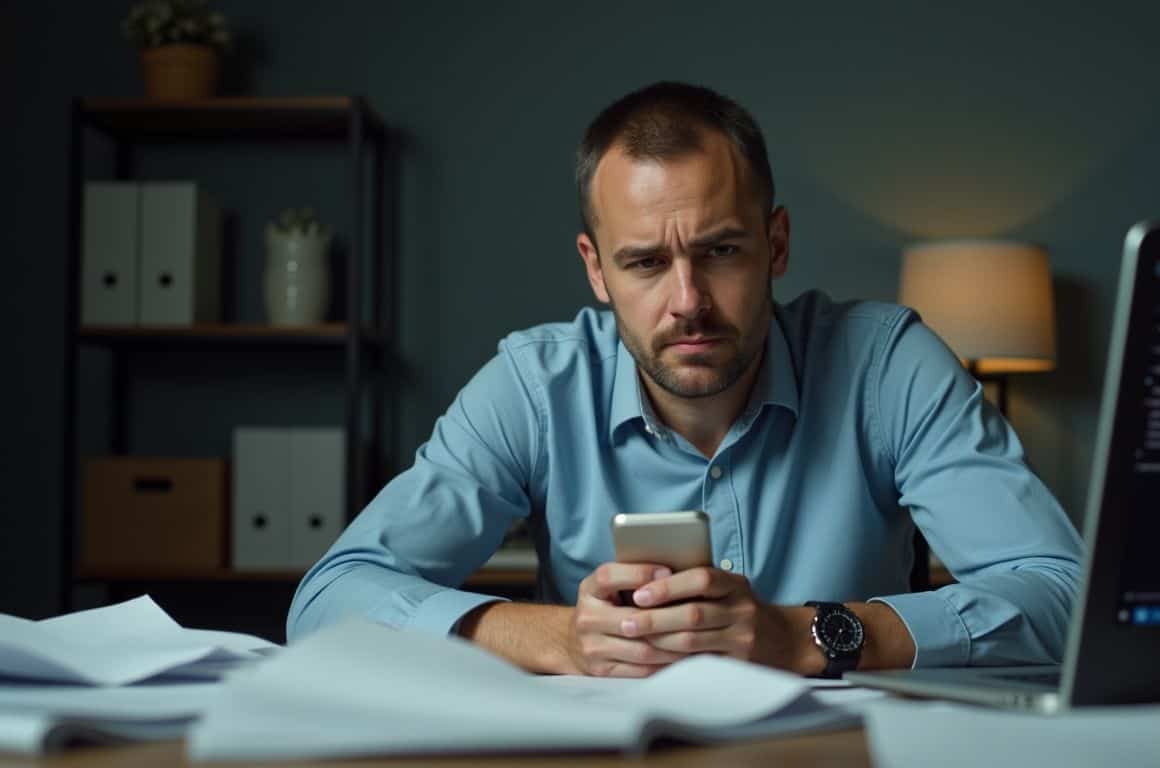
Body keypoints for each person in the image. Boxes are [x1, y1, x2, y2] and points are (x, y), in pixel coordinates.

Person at [288, 81, 1083, 678]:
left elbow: (1064, 596)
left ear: (776, 245)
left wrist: (803, 636)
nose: (688, 302)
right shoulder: (534, 386)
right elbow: (327, 603)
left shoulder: (886, 364)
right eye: (644, 262)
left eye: (722, 251)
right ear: (596, 271)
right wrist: (561, 637)